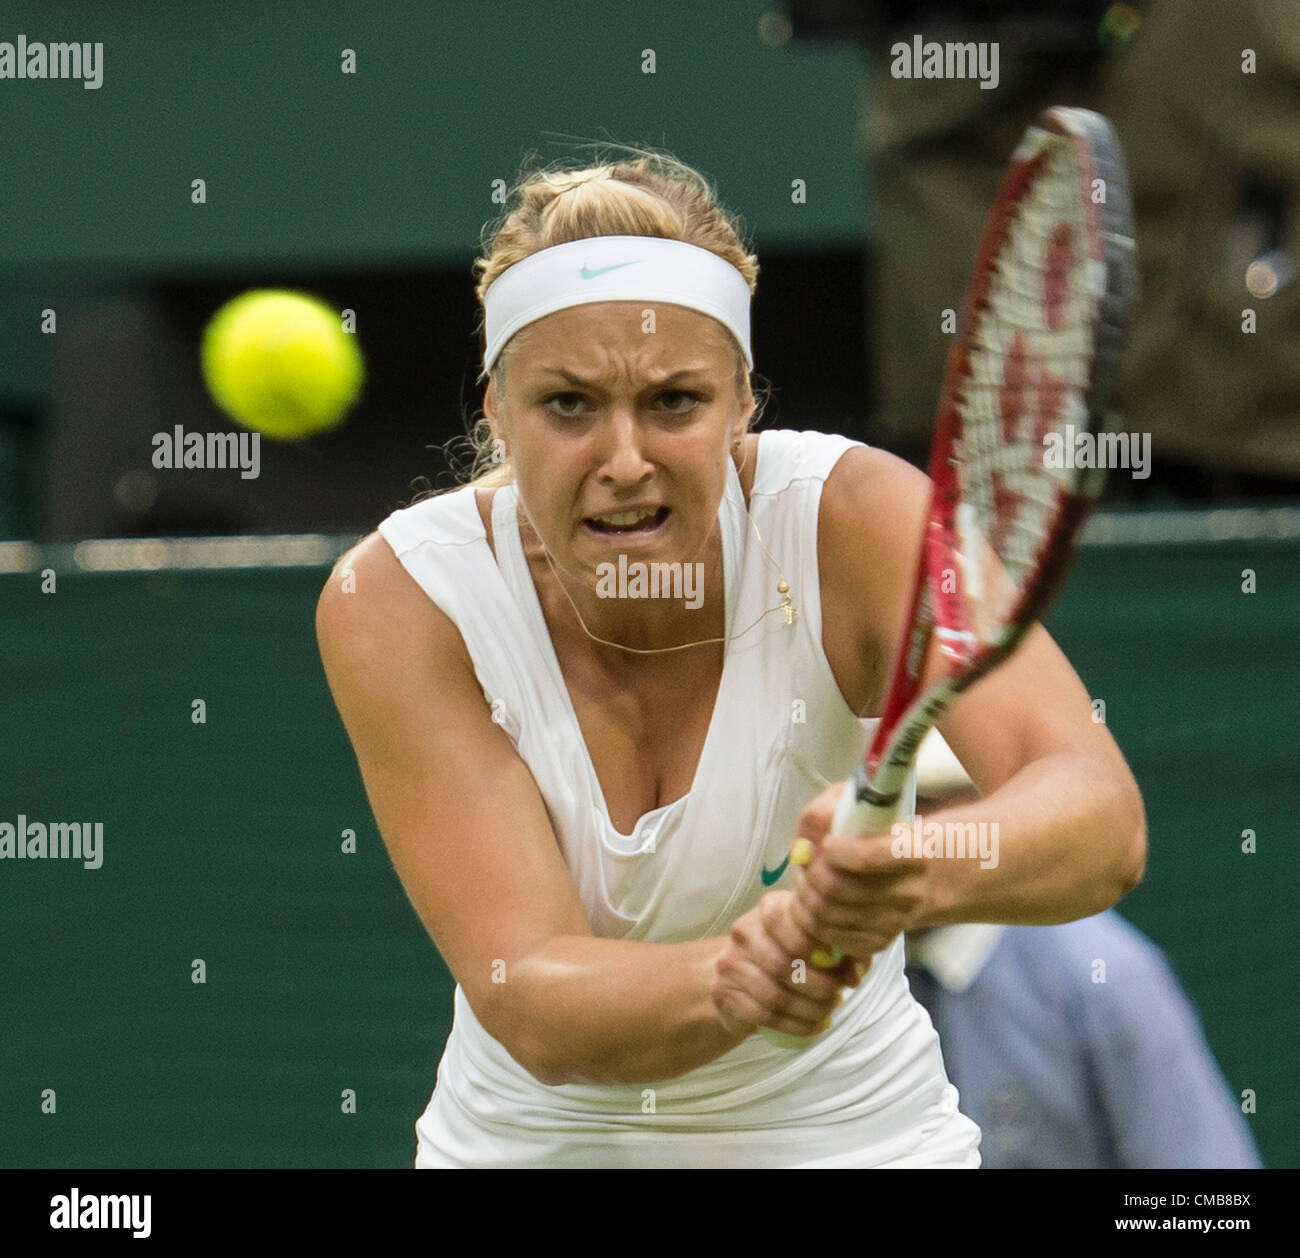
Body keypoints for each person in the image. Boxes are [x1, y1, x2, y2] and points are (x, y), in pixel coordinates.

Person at [314, 150, 1147, 1168]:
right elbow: (526, 987)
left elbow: (1100, 818)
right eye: (567, 405)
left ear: (743, 402)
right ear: (494, 410)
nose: (624, 460)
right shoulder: (401, 597)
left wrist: (909, 867)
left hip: (858, 1145)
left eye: (673, 401)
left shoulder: (857, 522)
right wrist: (738, 972)